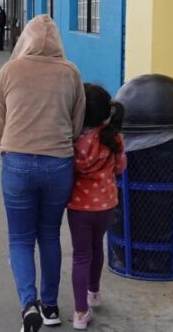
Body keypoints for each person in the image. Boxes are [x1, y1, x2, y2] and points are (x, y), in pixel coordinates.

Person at [0, 15, 85, 332]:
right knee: (49, 235)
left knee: (20, 239)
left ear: (25, 40)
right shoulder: (71, 73)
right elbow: (76, 124)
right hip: (58, 164)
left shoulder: (9, 71)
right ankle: (51, 306)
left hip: (16, 162)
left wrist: (11, 142)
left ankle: (28, 304)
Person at [67, 84, 126, 330]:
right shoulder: (113, 137)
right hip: (106, 205)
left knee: (81, 256)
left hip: (79, 208)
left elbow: (68, 170)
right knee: (97, 247)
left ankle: (81, 313)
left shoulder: (74, 140)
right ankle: (94, 293)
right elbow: (120, 167)